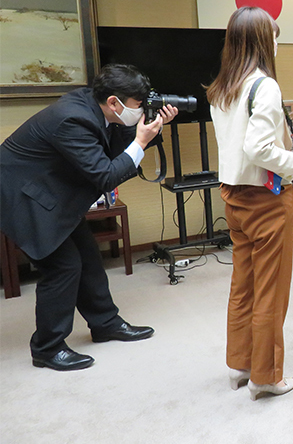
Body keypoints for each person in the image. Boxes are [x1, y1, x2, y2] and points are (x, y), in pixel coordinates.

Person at [0, 64, 178, 371]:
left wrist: (152, 127)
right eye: (137, 106)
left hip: (51, 191)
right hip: (25, 196)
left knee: (88, 257)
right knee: (63, 267)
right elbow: (105, 175)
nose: (139, 111)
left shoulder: (96, 106)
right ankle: (47, 348)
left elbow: (113, 144)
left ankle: (105, 323)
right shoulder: (72, 119)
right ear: (114, 102)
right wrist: (140, 142)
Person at [206, 7, 293, 400]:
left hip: (233, 197)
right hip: (266, 201)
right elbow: (259, 149)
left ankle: (240, 364)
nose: (277, 43)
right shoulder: (264, 86)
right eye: (274, 36)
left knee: (244, 284)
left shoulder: (221, 88)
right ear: (262, 41)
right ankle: (266, 376)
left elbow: (239, 147)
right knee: (271, 289)